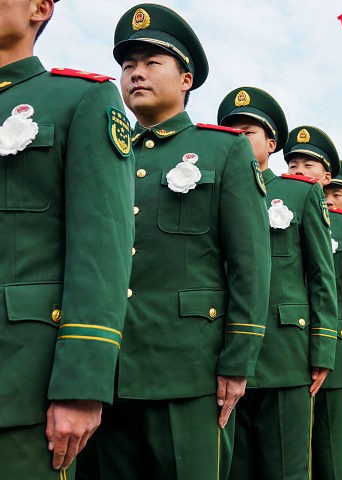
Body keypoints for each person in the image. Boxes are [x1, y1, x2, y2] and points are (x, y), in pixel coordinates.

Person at [77, 7, 272, 480]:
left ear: (186, 79)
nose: (136, 73)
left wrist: (238, 360)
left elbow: (250, 261)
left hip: (190, 368)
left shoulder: (224, 150)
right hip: (111, 370)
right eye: (128, 66)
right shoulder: (106, 150)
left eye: (152, 62)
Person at [0, 1, 135, 477]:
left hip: (18, 384)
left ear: (39, 8)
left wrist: (81, 386)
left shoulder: (78, 99)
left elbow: (101, 248)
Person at [218, 106, 338, 478]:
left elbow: (321, 276)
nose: (238, 136)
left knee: (285, 467)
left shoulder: (298, 194)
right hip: (220, 353)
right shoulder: (210, 188)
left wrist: (322, 349)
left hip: (284, 352)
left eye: (248, 131)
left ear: (271, 144)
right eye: (231, 130)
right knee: (233, 468)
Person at [286, 143, 342, 477]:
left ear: (326, 176)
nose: (298, 170)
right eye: (293, 163)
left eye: (308, 165)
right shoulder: (271, 207)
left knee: (331, 453)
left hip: (333, 353)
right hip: (285, 347)